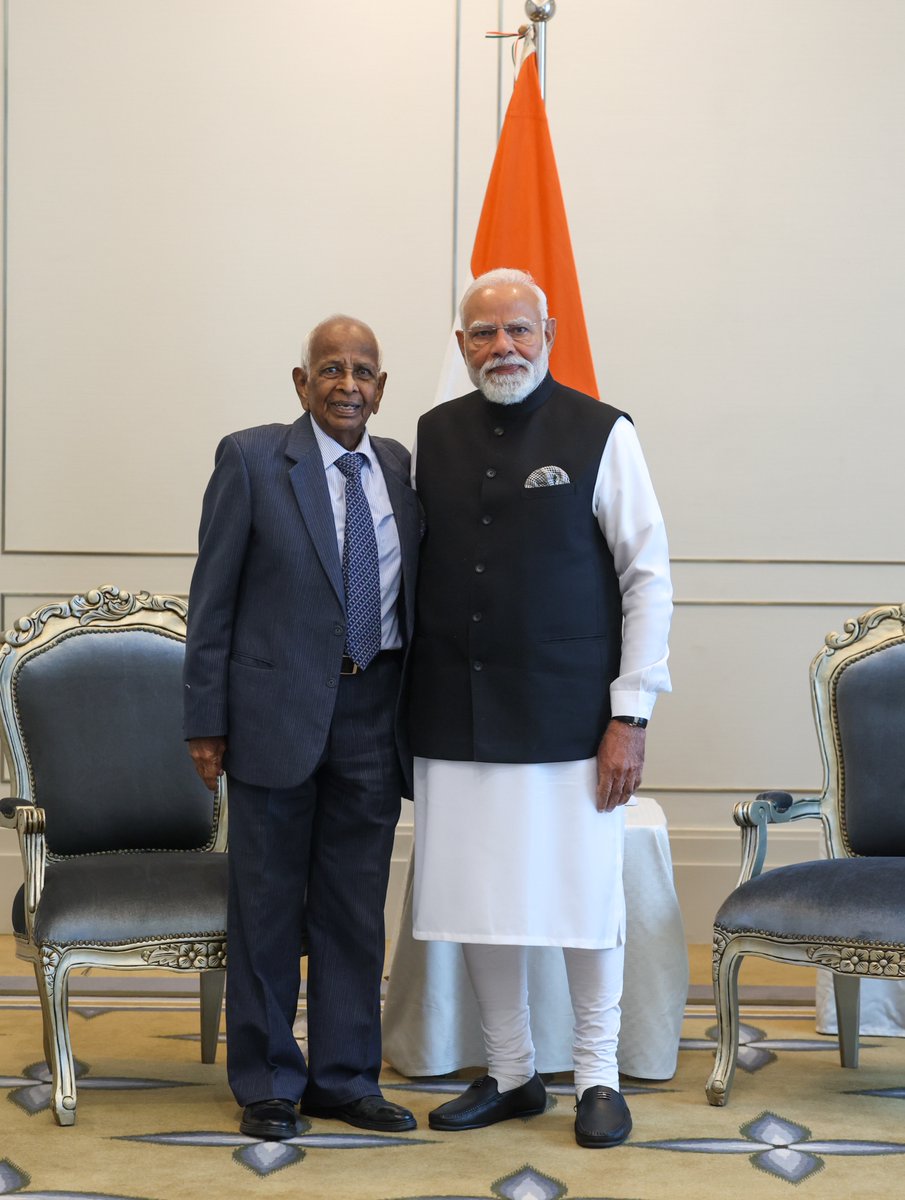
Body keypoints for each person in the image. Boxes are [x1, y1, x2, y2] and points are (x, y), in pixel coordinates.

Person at [408, 268, 672, 1149]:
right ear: (461, 345)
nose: (502, 348)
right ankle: (513, 1073)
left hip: (571, 719)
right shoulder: (431, 435)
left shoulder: (602, 432)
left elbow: (647, 578)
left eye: (518, 331)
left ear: (548, 333)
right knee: (483, 901)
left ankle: (597, 1075)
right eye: (483, 334)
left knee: (580, 898)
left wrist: (629, 715)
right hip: (456, 712)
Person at [183, 315, 421, 1141]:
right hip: (271, 720)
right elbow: (210, 602)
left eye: (362, 371)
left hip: (373, 713)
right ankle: (268, 1082)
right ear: (300, 382)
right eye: (330, 369)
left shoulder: (397, 467)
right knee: (268, 906)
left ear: (381, 389)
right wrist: (204, 723)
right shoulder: (251, 460)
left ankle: (345, 1078)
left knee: (354, 910)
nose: (347, 383)